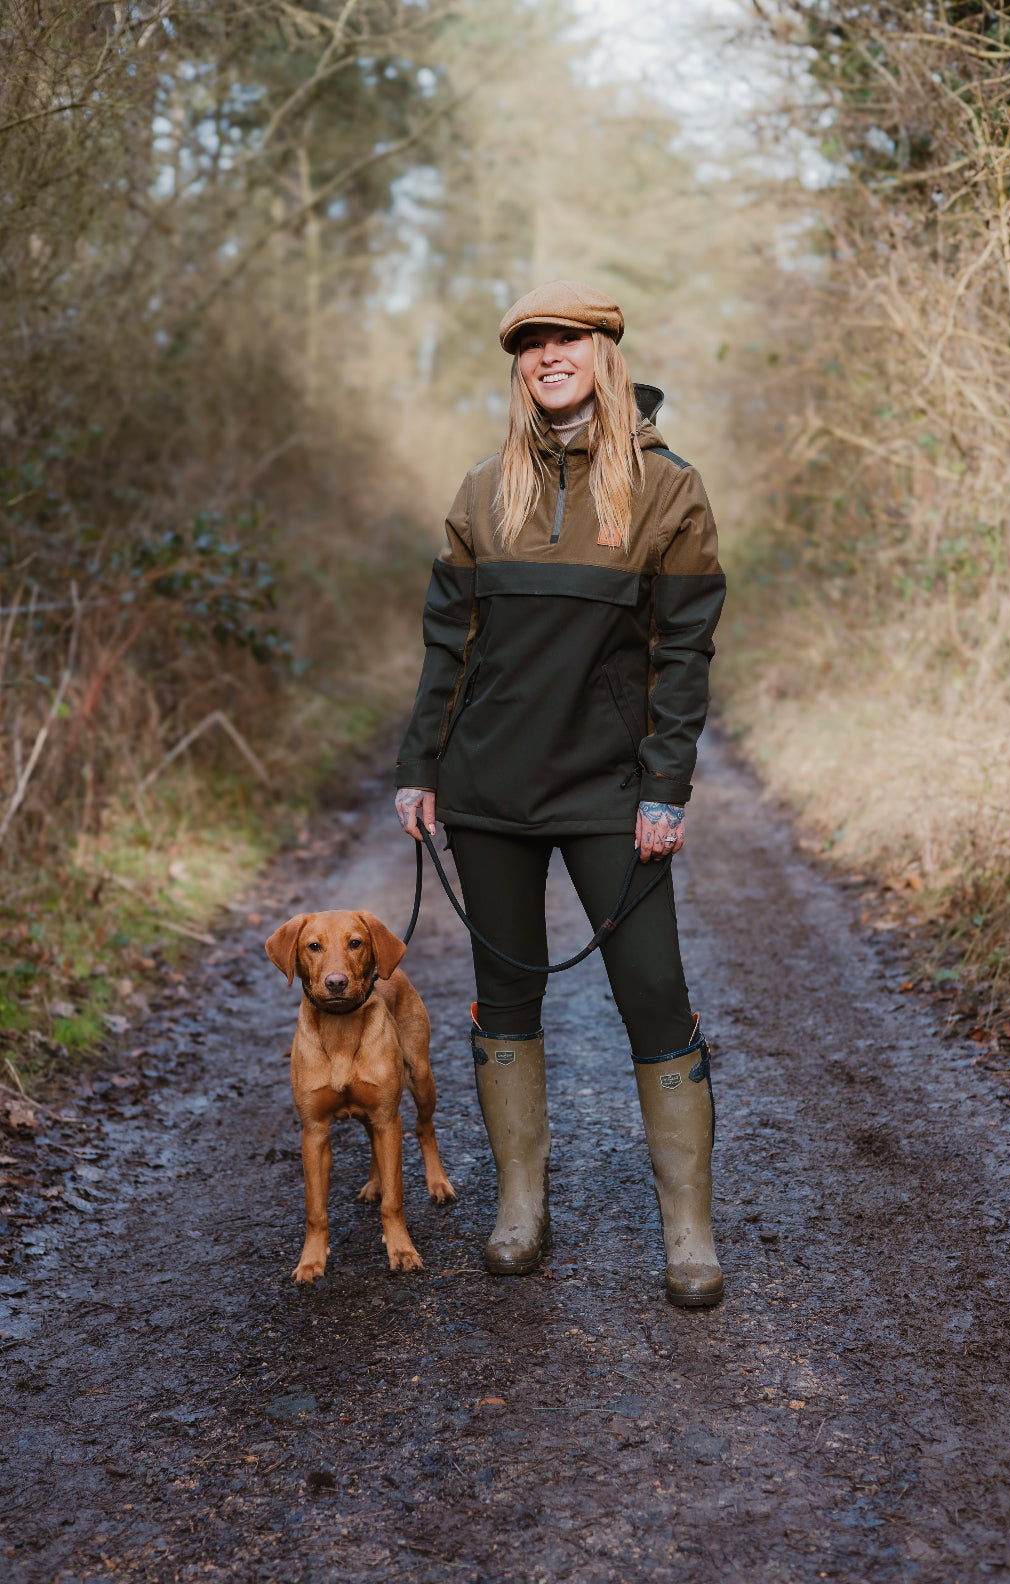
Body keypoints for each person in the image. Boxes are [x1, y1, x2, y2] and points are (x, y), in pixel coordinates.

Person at [393, 281, 726, 1307]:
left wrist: (665, 788)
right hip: (487, 789)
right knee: (505, 1003)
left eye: (566, 340)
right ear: (519, 365)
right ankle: (519, 1212)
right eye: (532, 344)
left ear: (603, 353)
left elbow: (685, 656)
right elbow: (447, 645)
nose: (548, 357)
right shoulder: (484, 490)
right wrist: (419, 766)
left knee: (655, 998)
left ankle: (687, 1234)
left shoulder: (667, 491)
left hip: (607, 793)